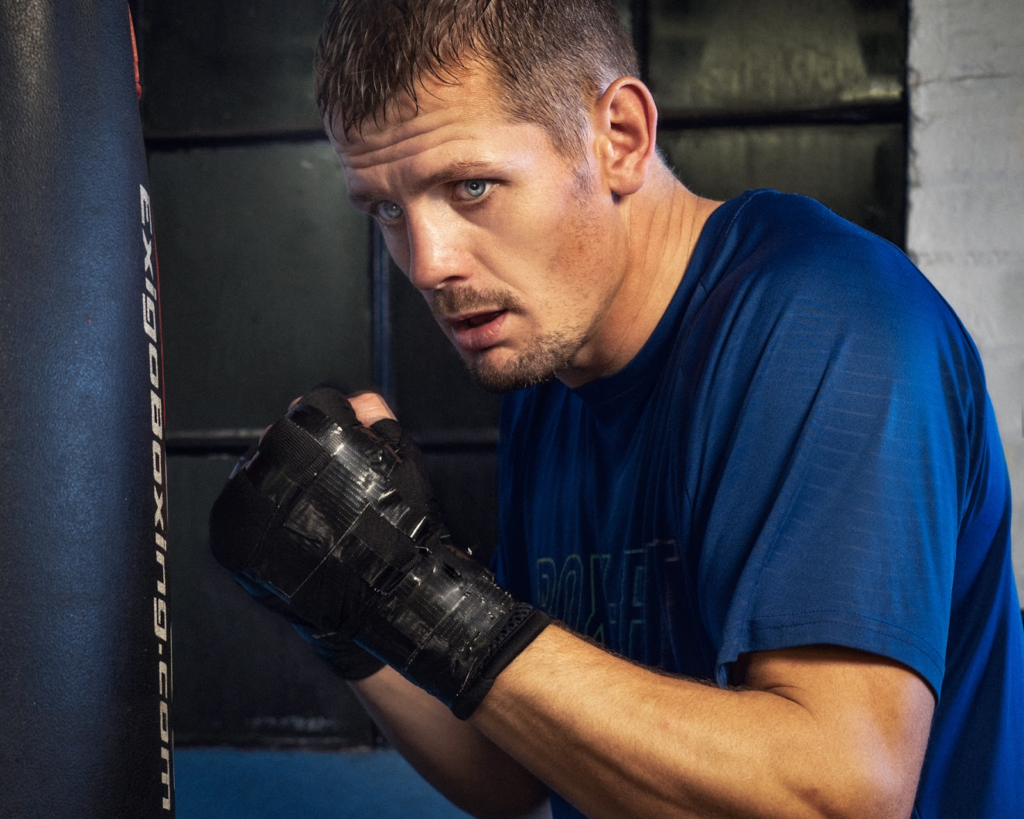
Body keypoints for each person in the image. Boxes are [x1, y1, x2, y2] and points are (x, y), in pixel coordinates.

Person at [210, 1, 1024, 817]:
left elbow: (835, 796)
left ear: (620, 137)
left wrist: (412, 587)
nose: (427, 264)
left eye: (472, 186)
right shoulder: (554, 371)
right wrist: (351, 613)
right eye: (388, 210)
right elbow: (517, 774)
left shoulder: (832, 322)